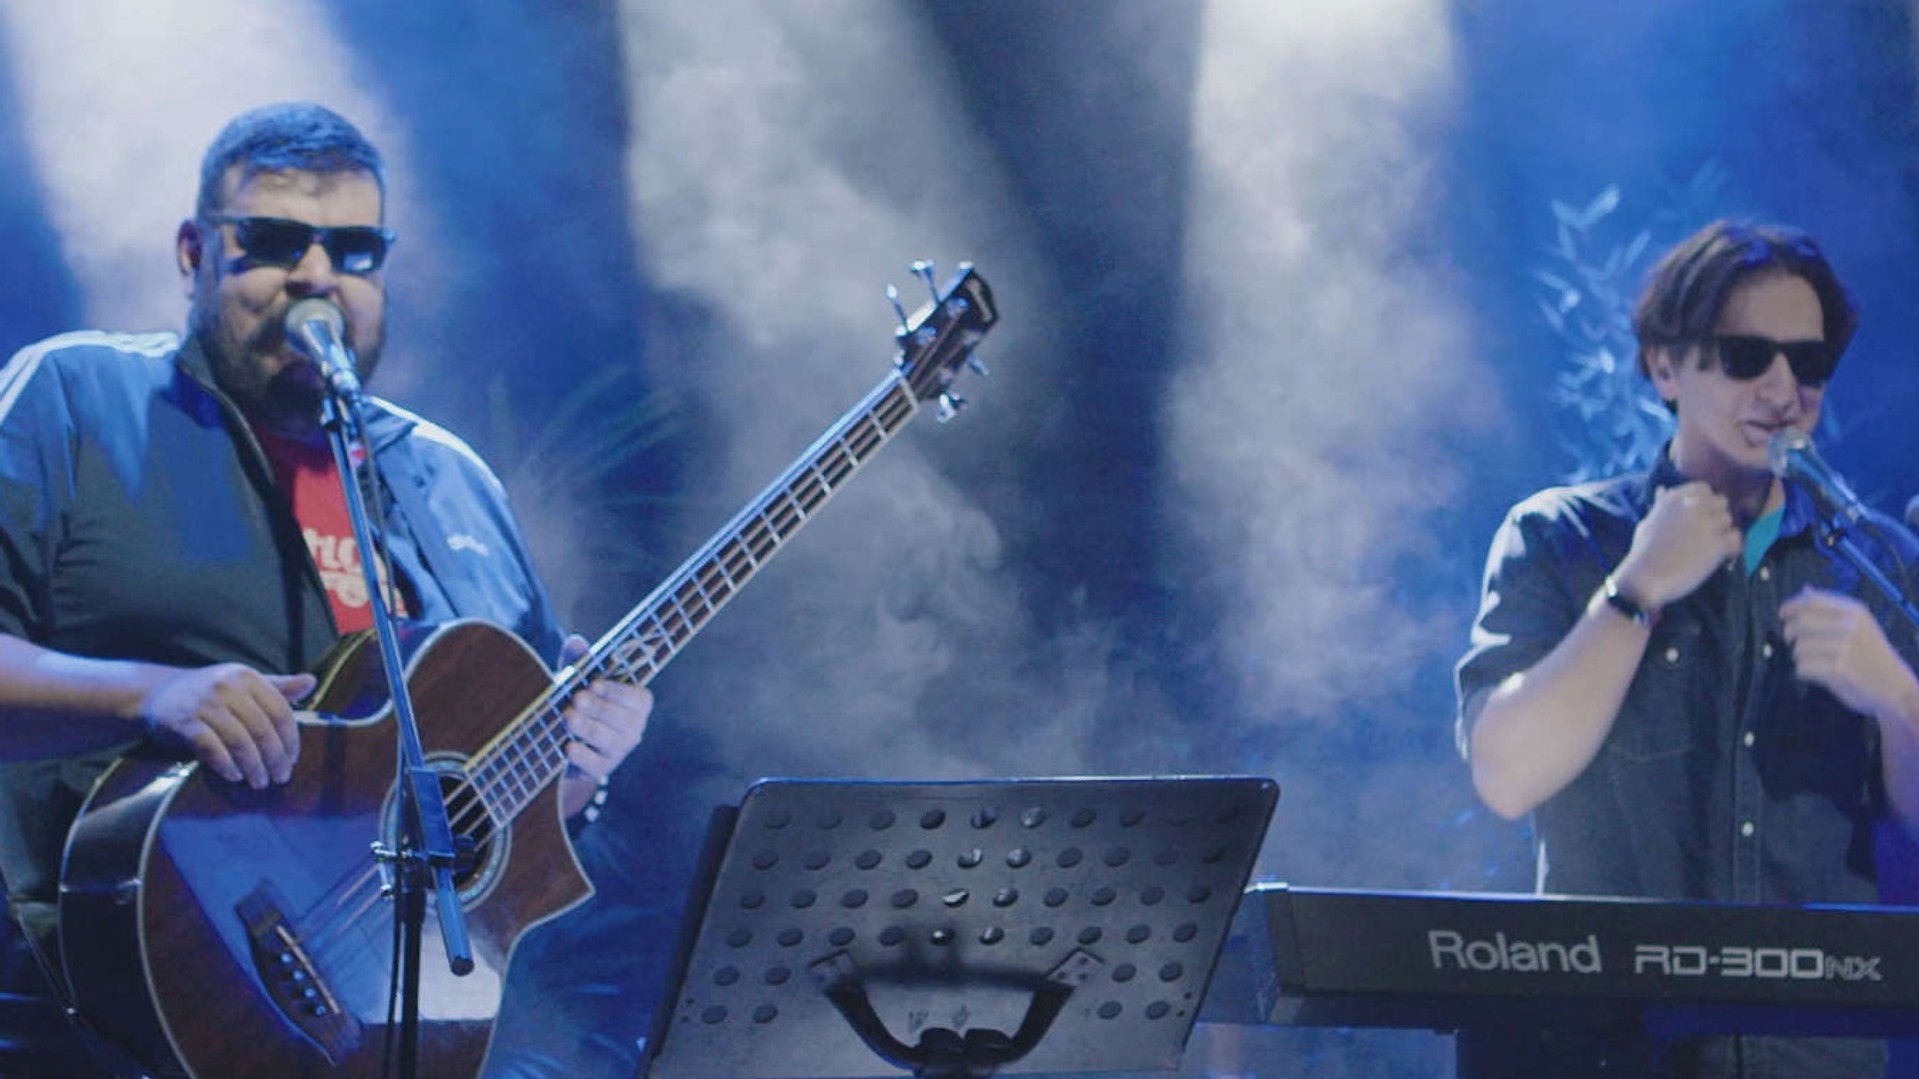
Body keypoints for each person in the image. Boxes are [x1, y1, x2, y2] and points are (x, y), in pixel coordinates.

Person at [0, 103, 652, 1075]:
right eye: (272, 242)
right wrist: (152, 694)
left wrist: (585, 760)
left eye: (353, 250)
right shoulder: (78, 398)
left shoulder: (450, 481)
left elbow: (492, 817)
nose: (316, 275)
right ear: (193, 253)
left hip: (388, 1036)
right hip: (97, 1020)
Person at [1455, 219, 1919, 1078]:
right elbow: (1505, 775)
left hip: (1809, 1053)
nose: (1781, 389)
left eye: (1807, 363)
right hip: (1606, 1050)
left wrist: (1899, 698)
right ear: (1664, 366)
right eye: (1745, 356)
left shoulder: (1876, 561)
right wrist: (1634, 590)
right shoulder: (1563, 537)